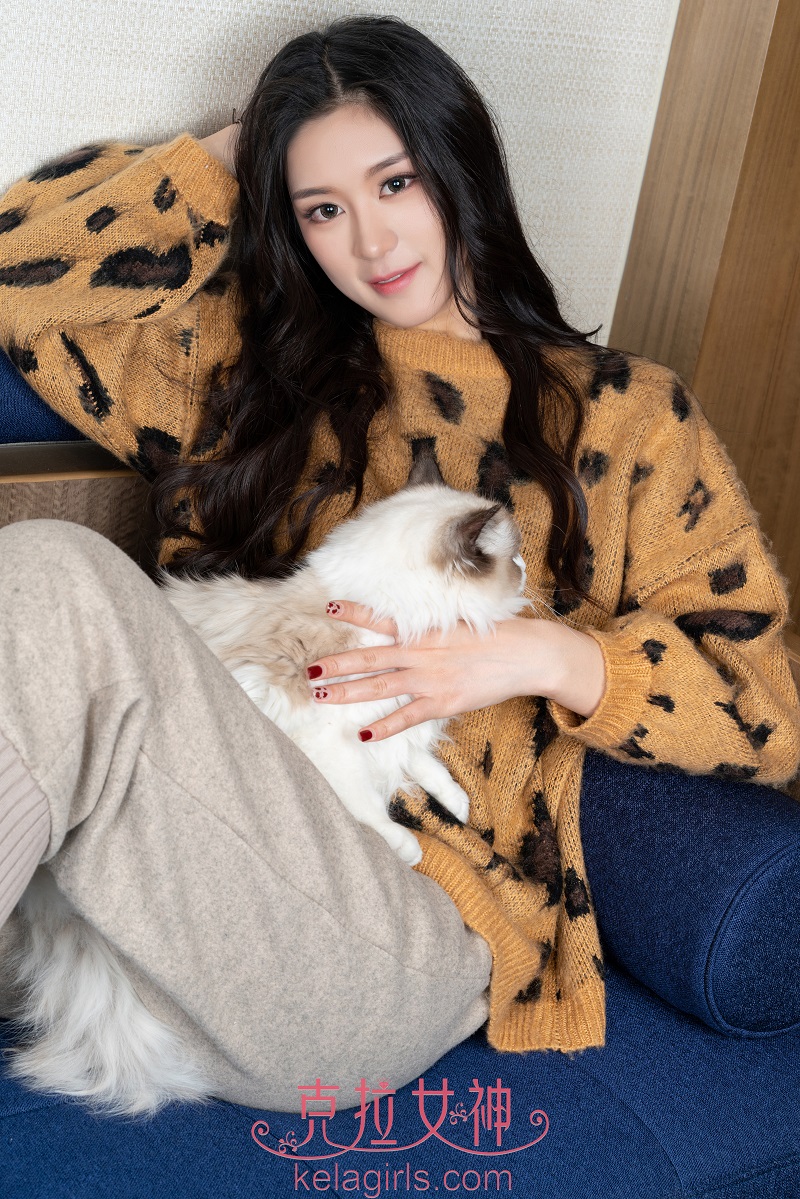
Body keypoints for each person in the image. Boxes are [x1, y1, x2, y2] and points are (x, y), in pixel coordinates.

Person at [0, 14, 798, 1114]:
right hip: (166, 899)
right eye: (321, 208)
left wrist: (539, 656)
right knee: (46, 577)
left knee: (55, 576)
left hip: (395, 940)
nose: (371, 242)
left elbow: (768, 709)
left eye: (395, 182)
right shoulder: (237, 380)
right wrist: (225, 155)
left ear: (459, 166)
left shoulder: (625, 420)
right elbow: (18, 278)